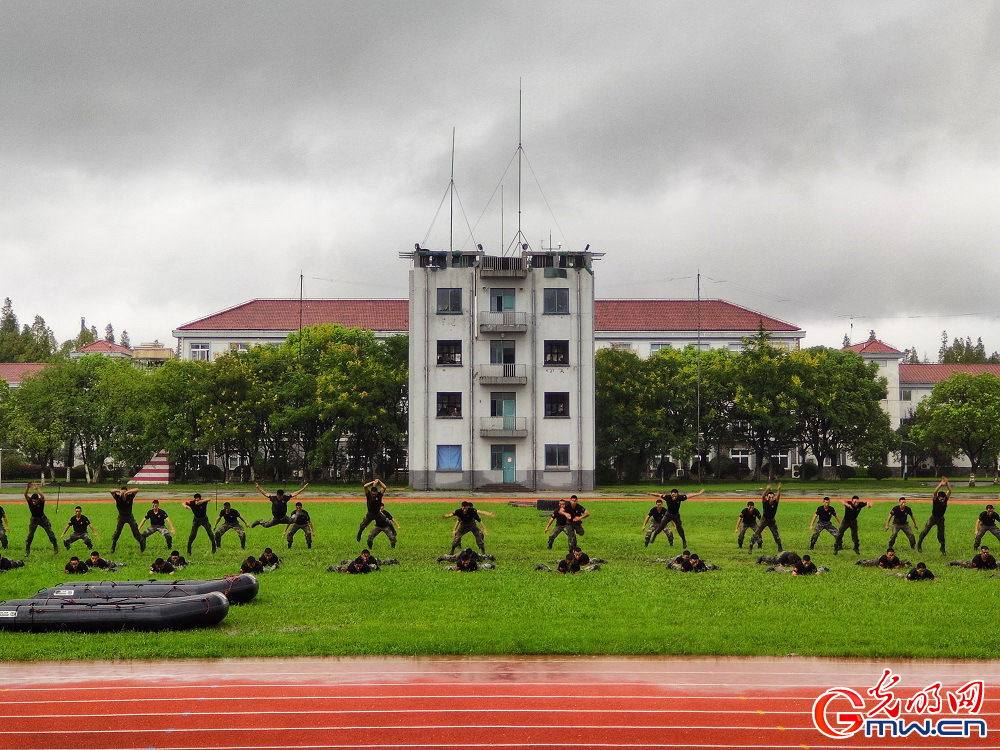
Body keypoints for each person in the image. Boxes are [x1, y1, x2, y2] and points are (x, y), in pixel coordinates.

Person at [917, 477, 951, 554]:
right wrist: (940, 484)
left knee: (941, 534)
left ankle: (942, 547)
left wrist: (947, 483)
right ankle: (919, 544)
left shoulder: (945, 499)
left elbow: (950, 491)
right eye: (940, 498)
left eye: (943, 499)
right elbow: (935, 492)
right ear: (938, 497)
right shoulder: (935, 499)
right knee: (925, 531)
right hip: (933, 518)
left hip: (941, 519)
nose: (942, 500)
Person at [24, 482, 58, 556]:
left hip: (42, 519)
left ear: (37, 500)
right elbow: (25, 495)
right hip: (34, 519)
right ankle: (27, 549)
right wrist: (27, 488)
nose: (34, 502)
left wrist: (37, 489)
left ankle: (55, 546)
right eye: (33, 500)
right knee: (30, 535)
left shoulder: (41, 501)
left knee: (50, 533)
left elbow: (42, 496)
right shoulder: (30, 501)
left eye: (35, 500)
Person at [109, 485, 143, 553]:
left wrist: (127, 492)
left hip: (129, 516)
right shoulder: (118, 497)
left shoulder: (130, 497)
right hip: (121, 517)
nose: (124, 496)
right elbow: (111, 491)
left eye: (125, 494)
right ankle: (113, 546)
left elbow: (137, 489)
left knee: (135, 531)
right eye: (123, 494)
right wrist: (119, 491)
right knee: (118, 532)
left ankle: (141, 543)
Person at [749, 484, 782, 553]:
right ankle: (751, 546)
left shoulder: (775, 503)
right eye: (769, 497)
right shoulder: (765, 502)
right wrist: (767, 489)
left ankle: (780, 547)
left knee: (776, 534)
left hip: (772, 520)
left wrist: (779, 489)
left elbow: (778, 496)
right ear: (767, 498)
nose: (771, 499)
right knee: (757, 533)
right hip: (764, 520)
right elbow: (763, 496)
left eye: (772, 497)